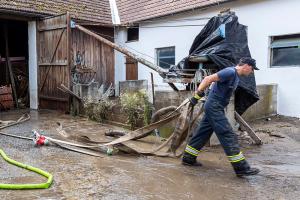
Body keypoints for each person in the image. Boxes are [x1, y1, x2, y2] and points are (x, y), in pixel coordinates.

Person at [182, 57, 260, 177]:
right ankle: (241, 168)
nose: (252, 72)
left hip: (215, 107)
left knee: (202, 133)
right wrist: (196, 96)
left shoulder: (235, 76)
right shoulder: (230, 72)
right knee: (227, 134)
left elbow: (215, 86)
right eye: (252, 69)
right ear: (247, 66)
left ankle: (188, 158)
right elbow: (208, 79)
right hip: (214, 107)